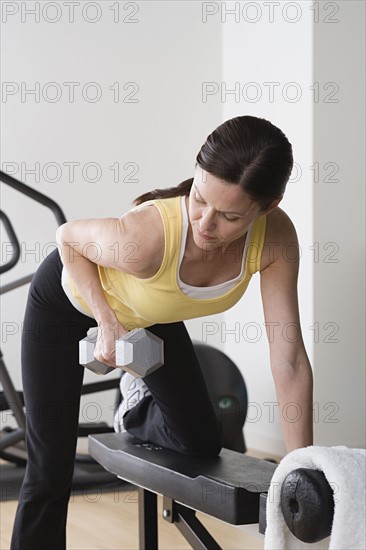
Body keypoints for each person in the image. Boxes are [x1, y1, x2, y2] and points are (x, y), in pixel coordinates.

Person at [10, 115, 313, 550]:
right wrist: (108, 322)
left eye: (229, 216)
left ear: (268, 207)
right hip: (65, 303)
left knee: (203, 443)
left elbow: (289, 358)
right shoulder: (147, 236)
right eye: (199, 199)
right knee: (49, 467)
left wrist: (299, 467)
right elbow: (67, 238)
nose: (207, 225)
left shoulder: (275, 239)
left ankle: (133, 409)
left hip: (150, 312)